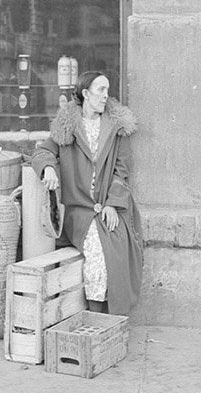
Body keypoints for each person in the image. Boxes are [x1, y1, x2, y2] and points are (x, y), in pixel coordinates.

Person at [31, 71, 143, 315]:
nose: (106, 95)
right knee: (97, 254)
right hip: (80, 211)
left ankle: (110, 318)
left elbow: (121, 172)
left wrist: (113, 204)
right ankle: (96, 316)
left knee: (116, 253)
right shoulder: (67, 126)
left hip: (111, 206)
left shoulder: (116, 128)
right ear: (85, 93)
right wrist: (48, 168)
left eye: (107, 90)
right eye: (100, 90)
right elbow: (42, 152)